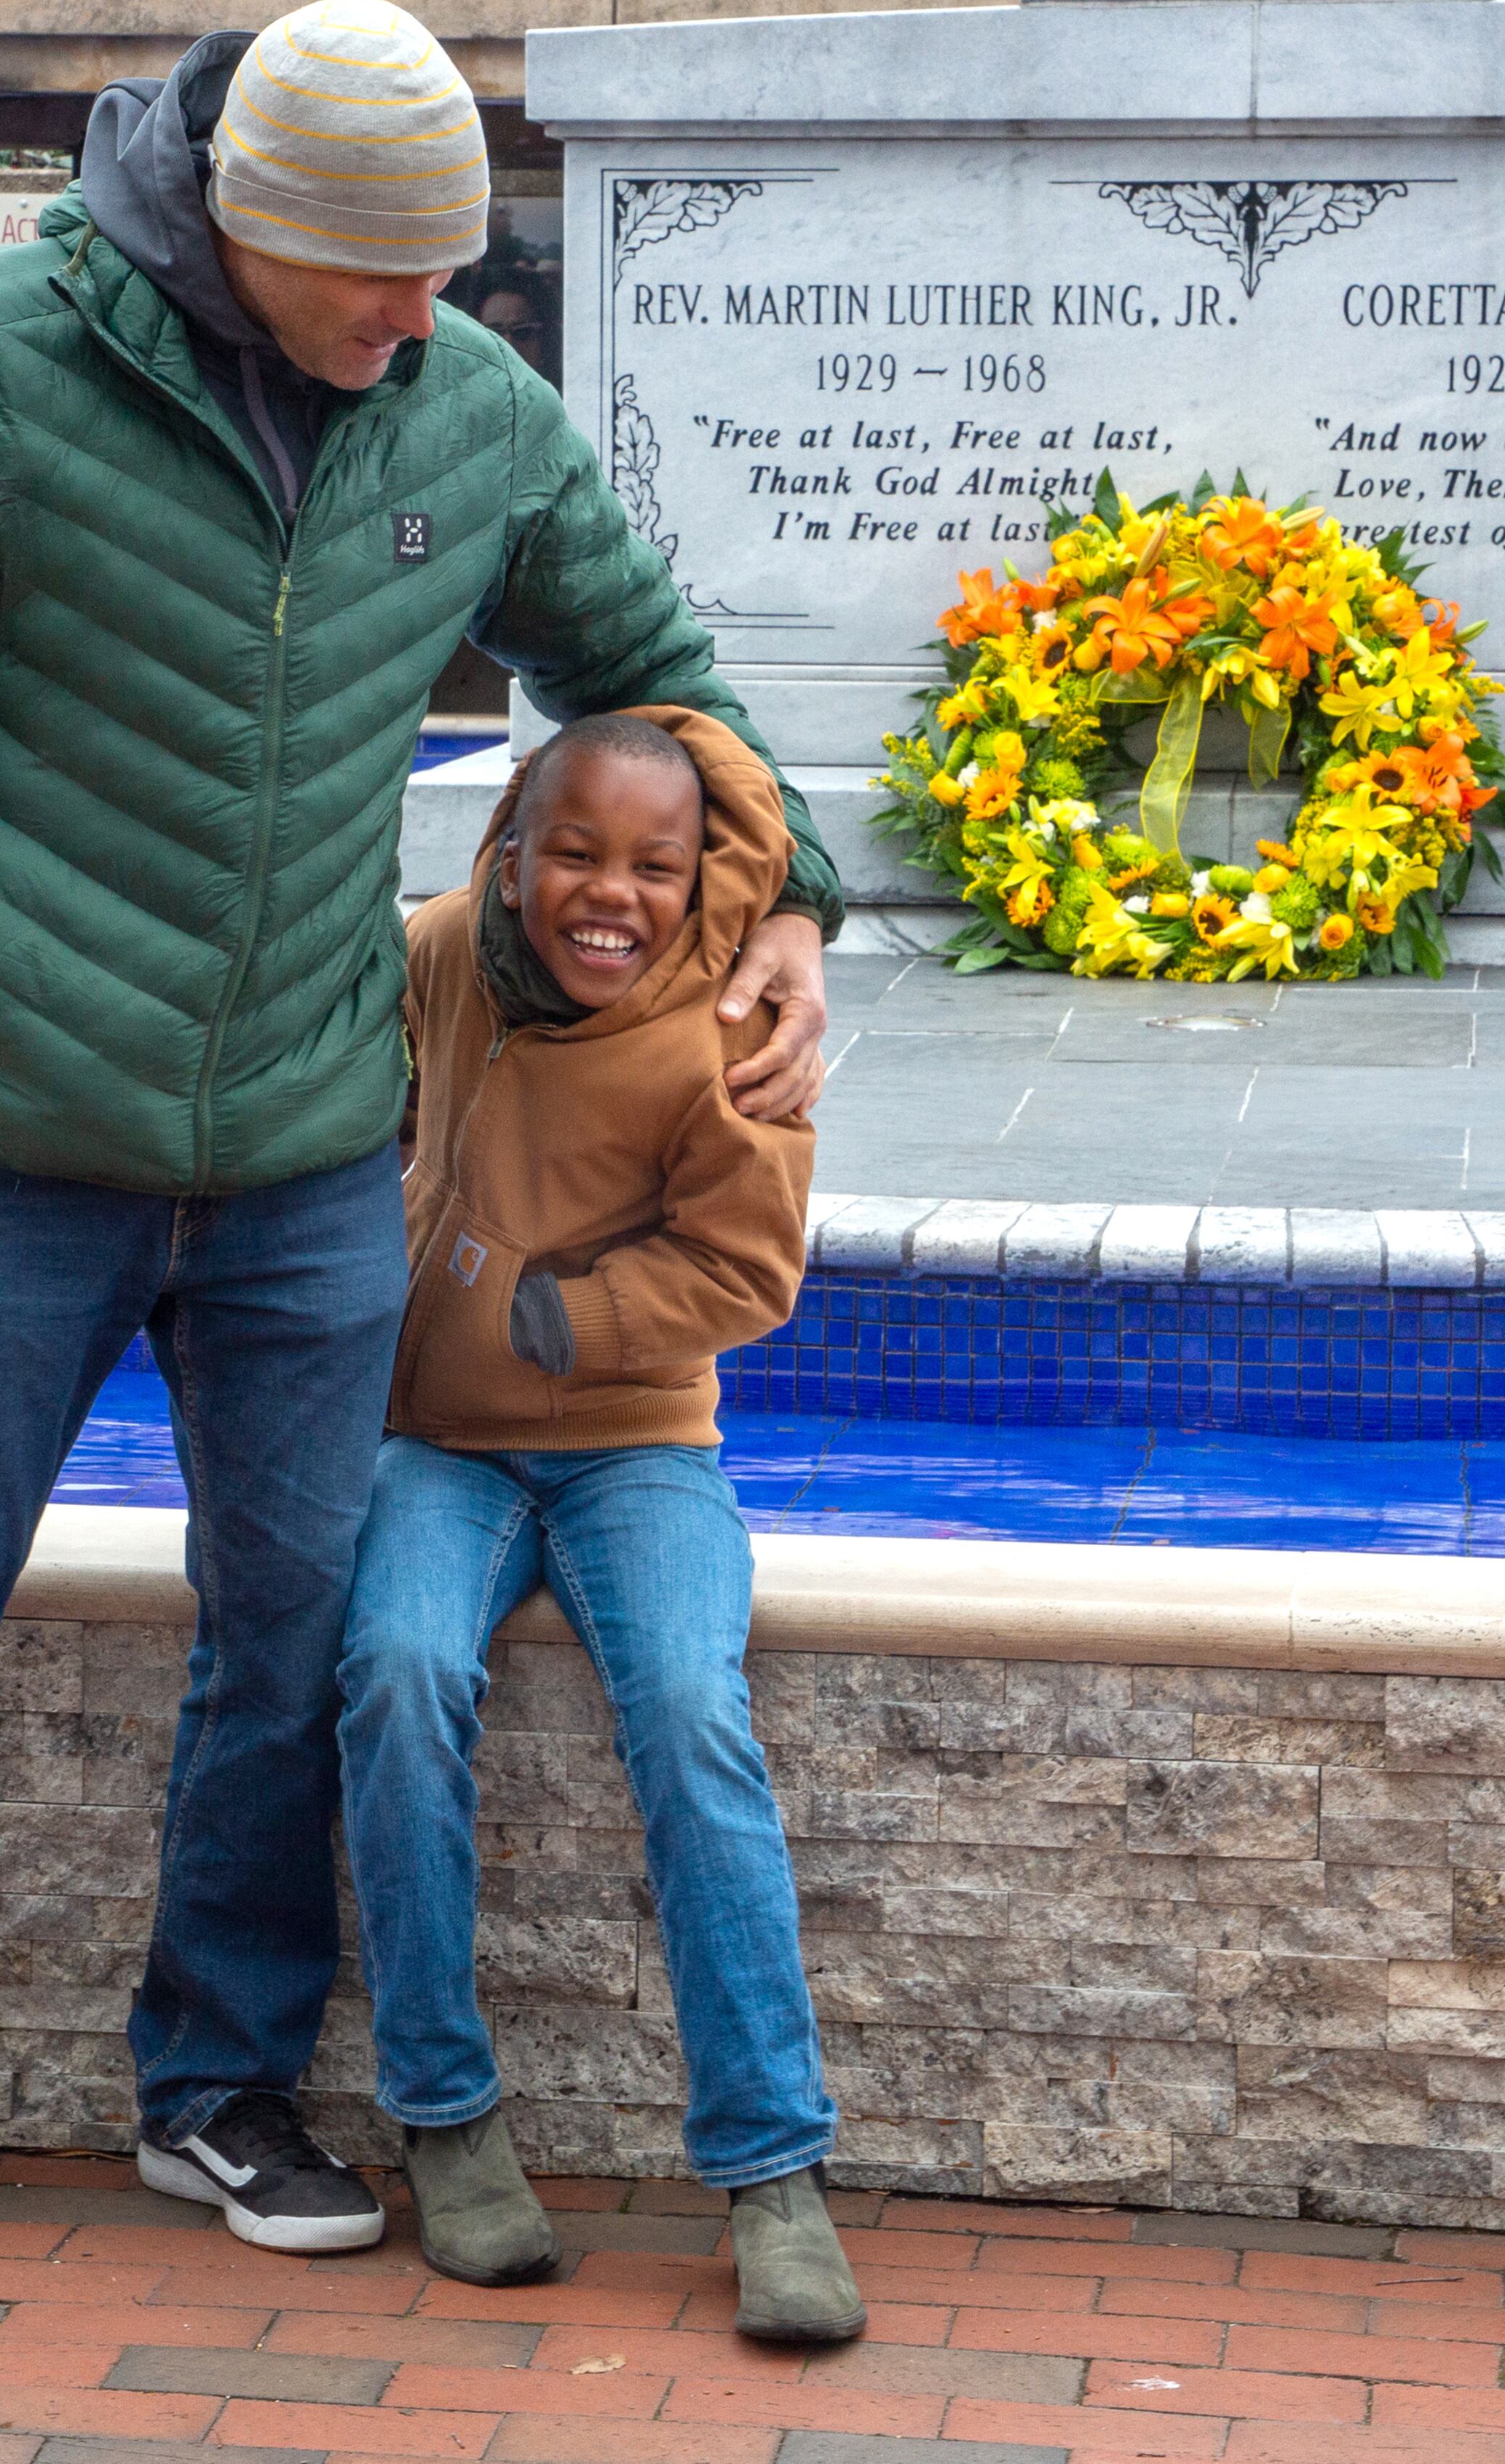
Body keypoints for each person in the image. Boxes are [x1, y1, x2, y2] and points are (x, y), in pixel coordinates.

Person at [0, 0, 842, 2262]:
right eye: (381, 275)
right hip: (2, 1145)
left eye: (450, 271)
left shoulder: (466, 412)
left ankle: (217, 2080)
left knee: (291, 1634)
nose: (422, 314)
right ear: (245, 220)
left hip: (314, 1155)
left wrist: (788, 892)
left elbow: (656, 679)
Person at [336, 706, 863, 2344]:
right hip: (441, 1448)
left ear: (705, 867)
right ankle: (445, 2114)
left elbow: (751, 1268)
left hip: (640, 1445)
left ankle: (773, 2172)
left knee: (696, 1712)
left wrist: (560, 1311)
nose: (609, 891)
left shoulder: (735, 1024)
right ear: (510, 846)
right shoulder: (439, 954)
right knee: (399, 1671)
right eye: (574, 850)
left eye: (656, 858)